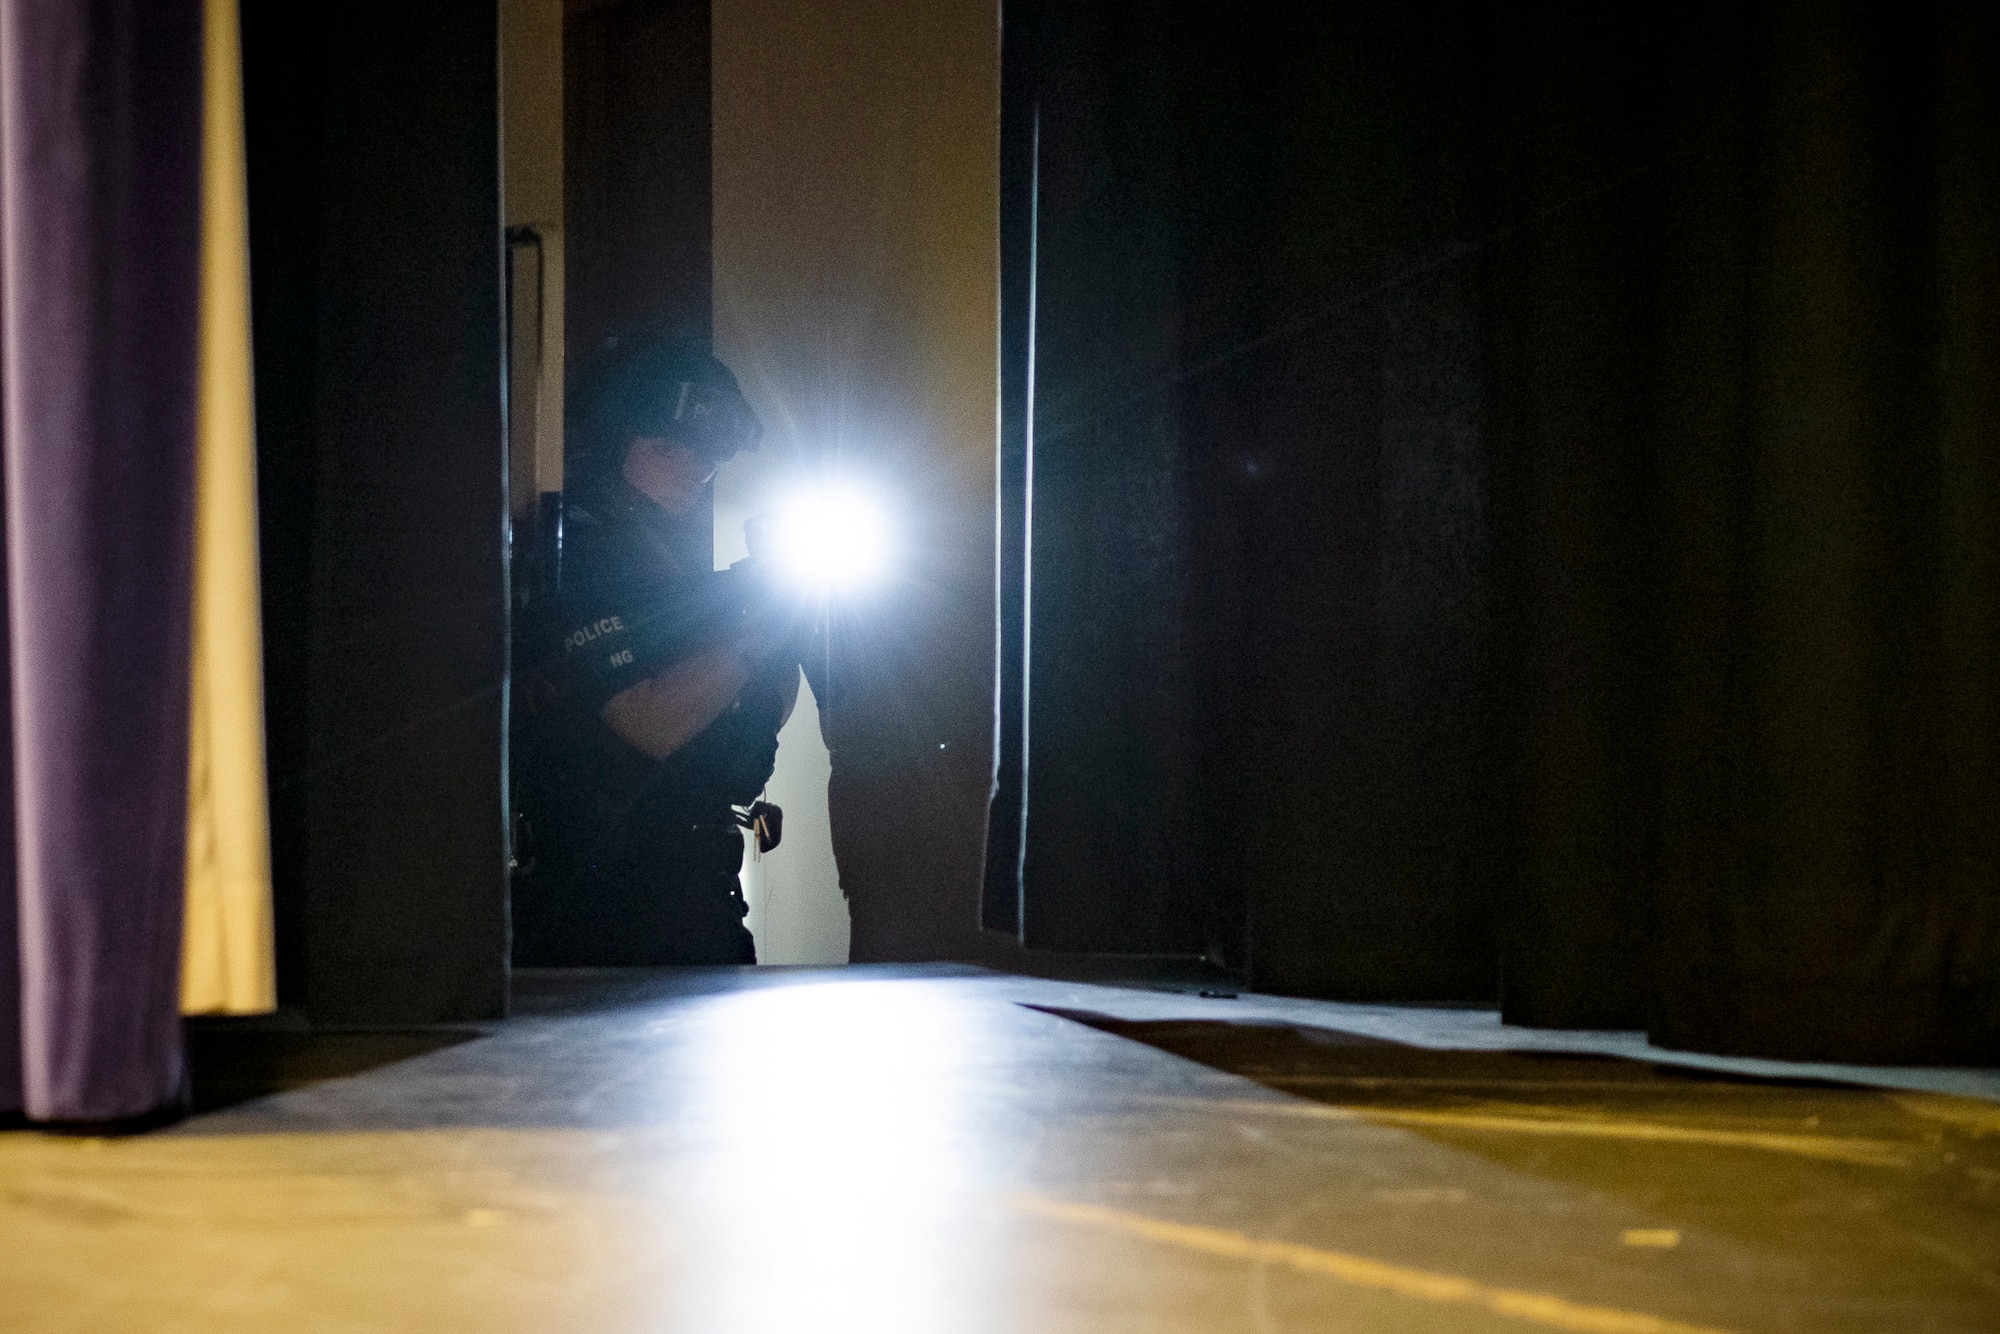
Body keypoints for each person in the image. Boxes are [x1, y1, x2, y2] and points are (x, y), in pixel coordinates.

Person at [511, 339, 799, 965]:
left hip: (702, 898)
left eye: (704, 453)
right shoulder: (572, 564)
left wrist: (780, 614)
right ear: (611, 450)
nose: (692, 467)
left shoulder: (687, 577)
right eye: (667, 447)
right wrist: (760, 622)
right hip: (599, 918)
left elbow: (757, 722)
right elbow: (650, 723)